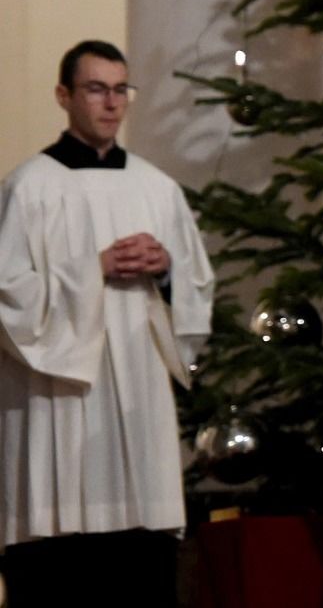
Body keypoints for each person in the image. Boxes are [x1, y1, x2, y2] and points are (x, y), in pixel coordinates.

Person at [0, 40, 215, 607]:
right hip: (56, 405)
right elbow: (8, 298)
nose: (112, 102)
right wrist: (91, 270)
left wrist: (167, 269)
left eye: (121, 89)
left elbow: (197, 288)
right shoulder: (28, 189)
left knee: (139, 577)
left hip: (136, 409)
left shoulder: (156, 188)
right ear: (64, 96)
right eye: (97, 88)